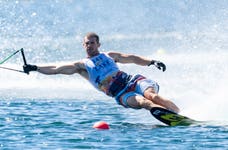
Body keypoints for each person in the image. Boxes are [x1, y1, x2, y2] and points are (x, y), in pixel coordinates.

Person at [23, 32, 180, 113]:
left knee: (154, 96)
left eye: (92, 43)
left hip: (134, 81)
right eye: (87, 44)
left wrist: (151, 62)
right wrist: (35, 67)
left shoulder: (109, 55)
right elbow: (56, 69)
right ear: (83, 45)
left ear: (98, 44)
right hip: (121, 94)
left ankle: (179, 114)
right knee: (144, 103)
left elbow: (131, 58)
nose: (89, 46)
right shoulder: (82, 66)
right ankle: (166, 115)